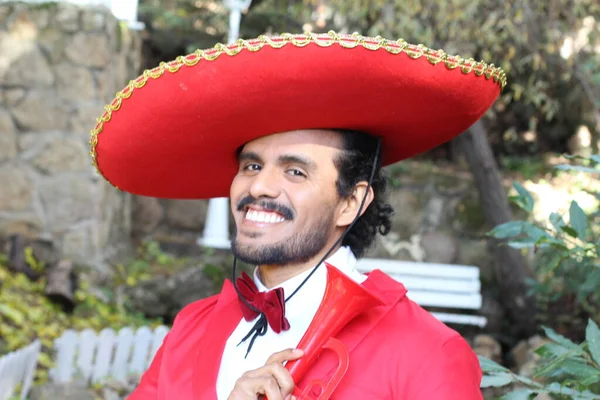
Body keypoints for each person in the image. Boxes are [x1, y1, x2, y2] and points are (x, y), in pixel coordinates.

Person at [90, 31, 506, 399]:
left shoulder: (426, 352)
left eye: (295, 171)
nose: (259, 187)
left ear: (351, 202)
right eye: (252, 166)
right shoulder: (192, 327)